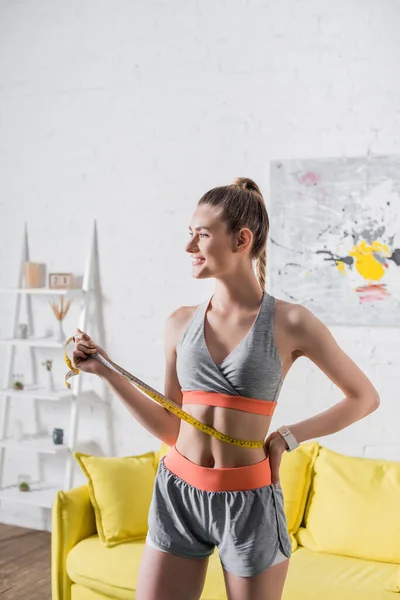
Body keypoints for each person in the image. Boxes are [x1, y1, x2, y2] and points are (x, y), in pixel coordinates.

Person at [72, 177, 380, 600]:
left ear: (241, 239)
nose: (189, 248)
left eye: (201, 235)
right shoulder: (180, 323)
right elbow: (170, 427)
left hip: (249, 502)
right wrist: (104, 371)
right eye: (189, 235)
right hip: (177, 494)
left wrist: (288, 438)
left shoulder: (290, 323)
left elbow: (364, 397)